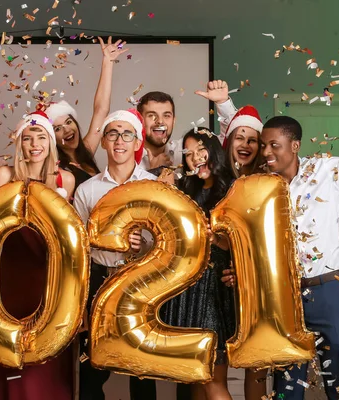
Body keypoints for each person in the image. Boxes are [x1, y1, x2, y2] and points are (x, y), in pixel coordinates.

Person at [257, 74, 339, 400]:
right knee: (287, 384)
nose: (266, 151)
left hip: (327, 291)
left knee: (338, 378)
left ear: (295, 146)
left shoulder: (327, 172)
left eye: (274, 144)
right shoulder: (260, 188)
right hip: (283, 297)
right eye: (263, 145)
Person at [0, 111, 75, 400]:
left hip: (49, 279)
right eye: (28, 138)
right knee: (13, 354)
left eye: (41, 138)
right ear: (20, 144)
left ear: (51, 142)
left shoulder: (67, 179)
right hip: (11, 277)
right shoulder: (5, 174)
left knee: (48, 358)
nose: (34, 144)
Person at [73, 110, 156, 400]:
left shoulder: (154, 187)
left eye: (126, 134)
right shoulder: (87, 190)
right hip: (100, 279)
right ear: (105, 143)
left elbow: (169, 240)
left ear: (137, 143)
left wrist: (142, 244)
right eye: (112, 134)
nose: (119, 140)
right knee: (92, 367)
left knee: (142, 368)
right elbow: (79, 248)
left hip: (142, 284)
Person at [160, 127, 236, 400]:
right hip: (186, 288)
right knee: (193, 377)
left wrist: (215, 239)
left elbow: (240, 242)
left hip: (214, 290)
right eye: (189, 154)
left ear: (213, 150)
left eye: (201, 150)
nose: (195, 158)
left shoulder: (231, 188)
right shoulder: (186, 189)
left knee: (212, 379)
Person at [46, 37, 128, 192]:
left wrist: (108, 62)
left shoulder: (86, 151)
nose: (67, 130)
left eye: (68, 122)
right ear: (51, 138)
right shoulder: (54, 169)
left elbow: (101, 110)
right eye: (57, 129)